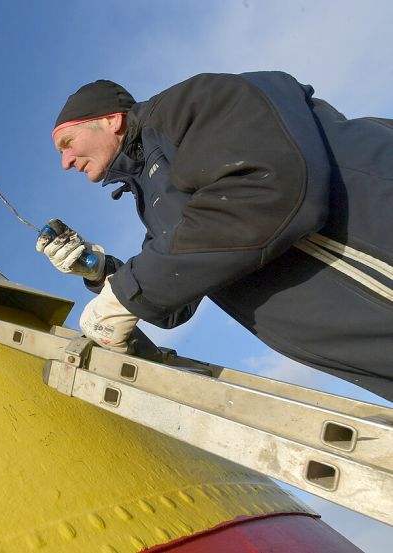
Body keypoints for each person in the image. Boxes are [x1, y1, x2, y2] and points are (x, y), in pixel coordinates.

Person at [38, 72, 393, 400]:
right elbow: (173, 303)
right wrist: (99, 270)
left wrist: (126, 295)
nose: (65, 162)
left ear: (111, 120)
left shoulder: (188, 109)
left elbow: (264, 188)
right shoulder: (153, 200)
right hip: (367, 348)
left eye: (67, 143)